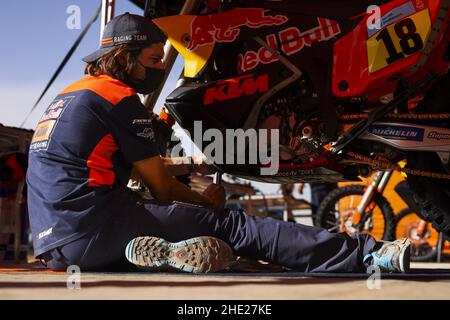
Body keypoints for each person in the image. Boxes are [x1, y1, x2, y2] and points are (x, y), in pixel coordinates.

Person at [27, 13, 411, 274]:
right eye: (153, 59)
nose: (161, 67)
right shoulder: (119, 100)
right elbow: (160, 187)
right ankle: (371, 253)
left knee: (185, 229)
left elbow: (109, 161)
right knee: (234, 225)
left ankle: (167, 254)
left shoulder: (72, 96)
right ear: (124, 57)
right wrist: (206, 202)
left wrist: (191, 165)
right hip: (96, 226)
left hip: (57, 248)